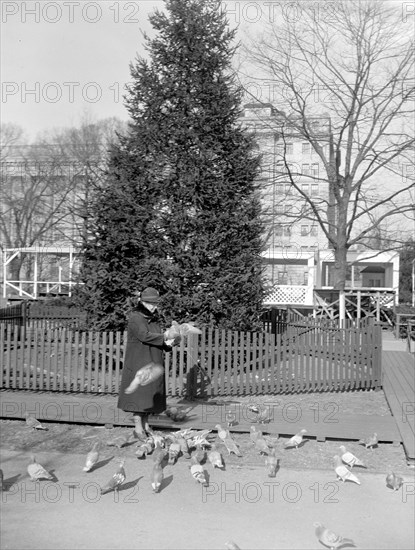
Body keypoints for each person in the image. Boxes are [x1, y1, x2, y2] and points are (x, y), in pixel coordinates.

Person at [117, 287, 180, 439]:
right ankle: (138, 429)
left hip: (153, 359)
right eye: (150, 303)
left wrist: (169, 344)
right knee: (140, 395)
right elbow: (144, 336)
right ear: (142, 302)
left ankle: (146, 425)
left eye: (155, 303)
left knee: (149, 396)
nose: (154, 306)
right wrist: (165, 336)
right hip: (139, 360)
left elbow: (156, 337)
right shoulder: (136, 317)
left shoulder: (154, 317)